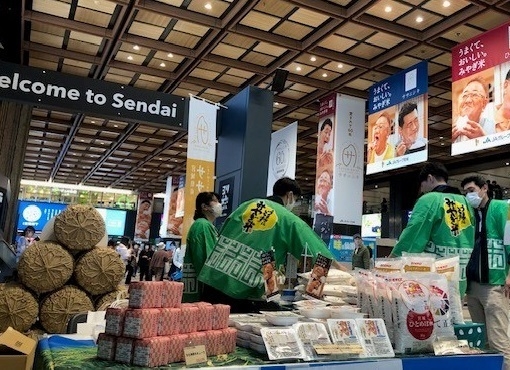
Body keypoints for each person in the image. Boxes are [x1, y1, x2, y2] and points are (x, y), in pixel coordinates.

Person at [198, 177, 346, 312]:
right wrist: (342, 272)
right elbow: (319, 253)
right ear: (289, 196)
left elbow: (222, 234)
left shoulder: (246, 205)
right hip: (242, 293)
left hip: (212, 281)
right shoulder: (289, 219)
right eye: (294, 199)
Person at [389, 162, 475, 298]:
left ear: (430, 178)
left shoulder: (429, 199)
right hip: (461, 274)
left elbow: (413, 235)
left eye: (422, 186)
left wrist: (392, 261)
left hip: (435, 277)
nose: (423, 190)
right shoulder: (465, 202)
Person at [460, 175, 510, 370]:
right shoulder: (470, 215)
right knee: (482, 343)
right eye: (465, 193)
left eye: (471, 190)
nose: (468, 195)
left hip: (494, 285)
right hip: (472, 287)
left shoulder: (501, 208)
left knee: (499, 342)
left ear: (484, 188)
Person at [182, 192, 222, 302]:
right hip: (201, 290)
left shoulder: (206, 225)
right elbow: (207, 260)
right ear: (204, 207)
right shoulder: (202, 225)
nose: (219, 204)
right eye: (216, 201)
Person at [452, 77, 495, 142]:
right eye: (465, 95)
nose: (468, 100)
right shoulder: (457, 128)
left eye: (475, 95)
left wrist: (483, 139)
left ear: (484, 103)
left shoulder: (493, 127)